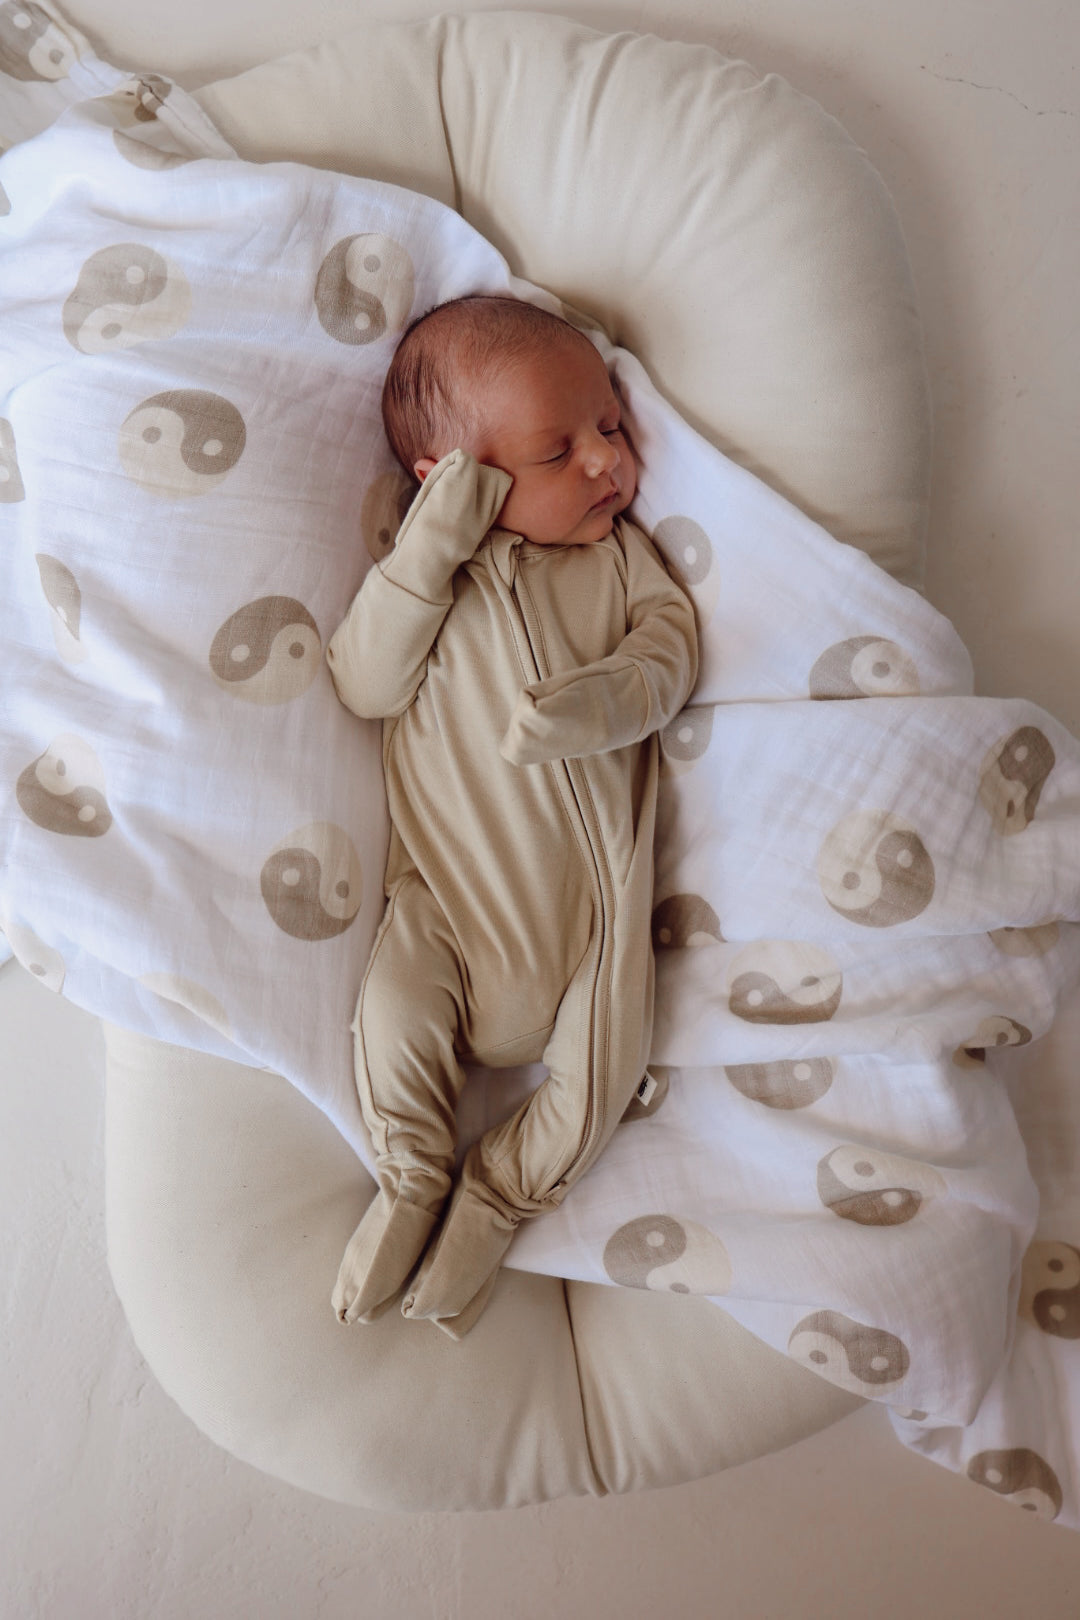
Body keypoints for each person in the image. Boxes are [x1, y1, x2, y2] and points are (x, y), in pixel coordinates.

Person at [327, 294, 698, 1337]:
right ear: (453, 484)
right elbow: (363, 683)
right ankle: (409, 1173)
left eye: (613, 428)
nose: (607, 465)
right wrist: (426, 553)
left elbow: (672, 650)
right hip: (447, 906)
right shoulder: (428, 582)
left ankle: (494, 1196)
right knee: (396, 1009)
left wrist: (607, 697)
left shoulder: (619, 562)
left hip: (595, 931)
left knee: (601, 1081)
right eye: (558, 451)